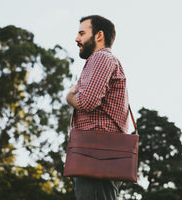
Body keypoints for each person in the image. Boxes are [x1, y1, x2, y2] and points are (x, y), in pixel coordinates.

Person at [66, 15, 129, 200]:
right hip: (100, 154)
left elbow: (86, 102)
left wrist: (69, 97)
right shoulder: (104, 61)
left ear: (99, 35)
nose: (77, 38)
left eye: (82, 33)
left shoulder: (100, 58)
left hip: (95, 154)